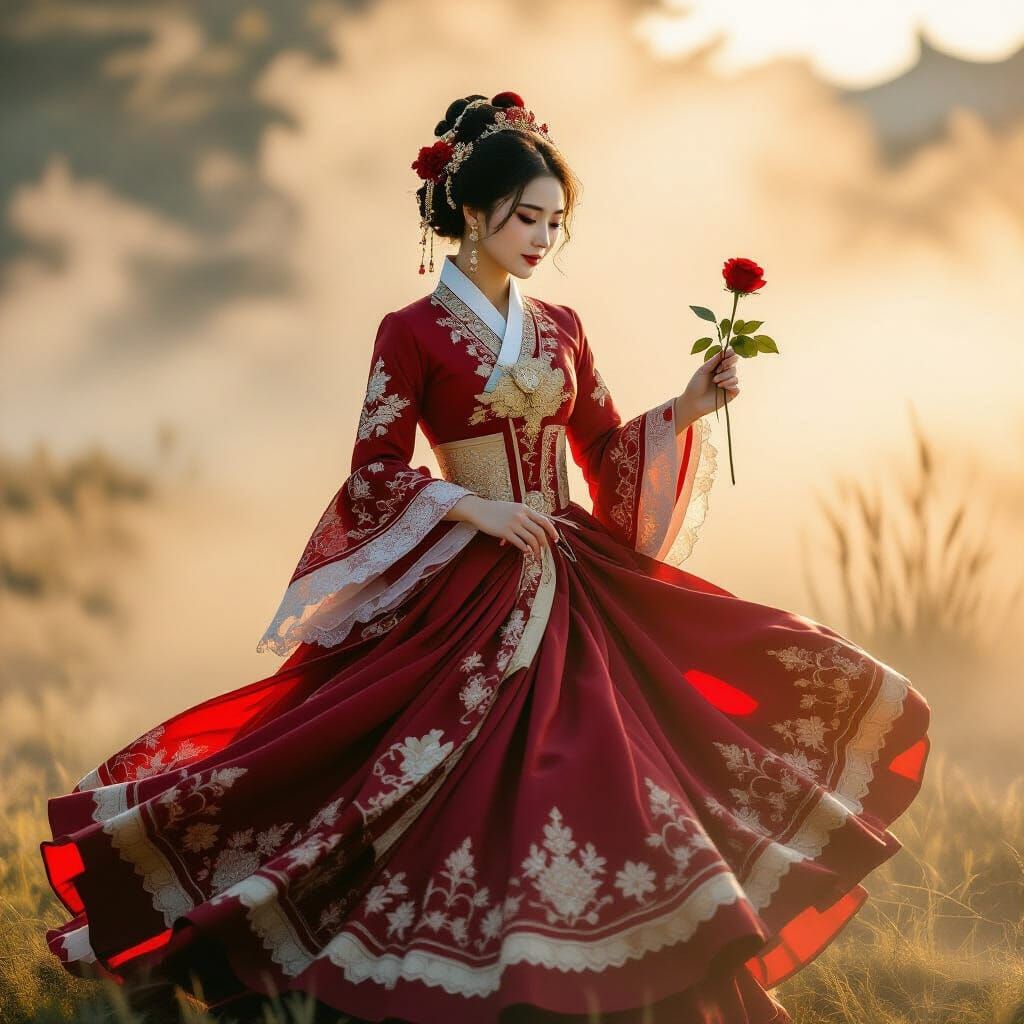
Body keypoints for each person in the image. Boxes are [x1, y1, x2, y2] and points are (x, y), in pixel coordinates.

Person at [38, 91, 931, 1024]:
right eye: (527, 218)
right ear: (471, 211)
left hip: (572, 565)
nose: (544, 239)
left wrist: (687, 407)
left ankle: (615, 969)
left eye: (555, 221)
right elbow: (375, 470)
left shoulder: (564, 326)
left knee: (619, 758)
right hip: (469, 574)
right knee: (407, 772)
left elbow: (602, 450)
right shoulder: (410, 331)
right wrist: (472, 508)